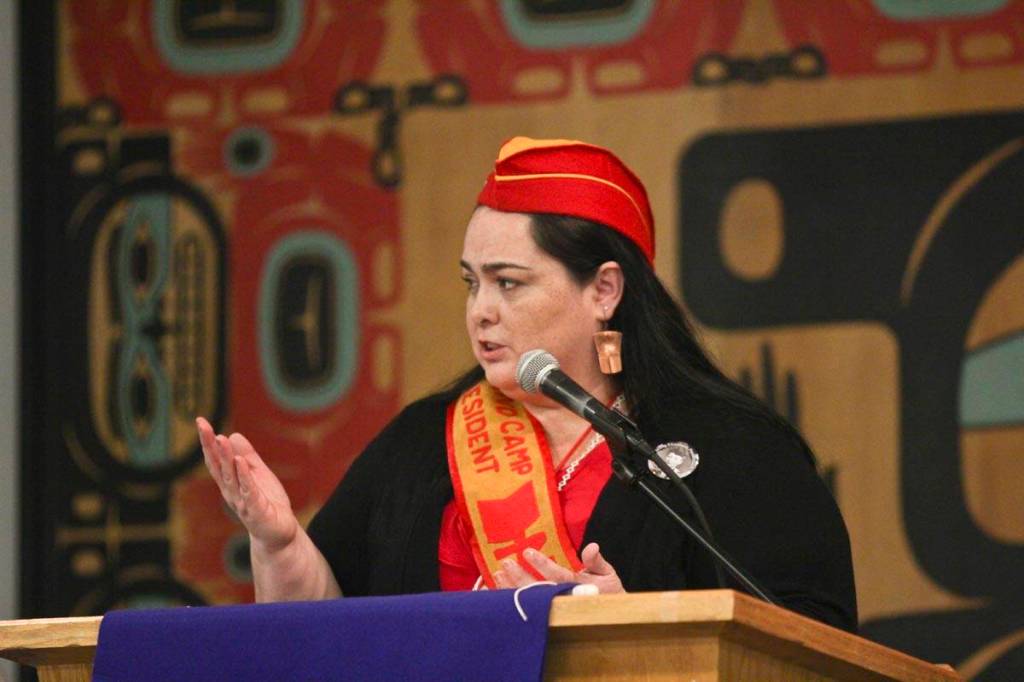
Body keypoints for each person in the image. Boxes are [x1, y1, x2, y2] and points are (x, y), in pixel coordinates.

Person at [196, 137, 858, 631]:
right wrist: (279, 543)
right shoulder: (423, 443)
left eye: (508, 283)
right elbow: (321, 641)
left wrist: (639, 635)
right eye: (472, 282)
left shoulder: (732, 451)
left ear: (603, 290)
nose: (480, 310)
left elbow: (809, 650)